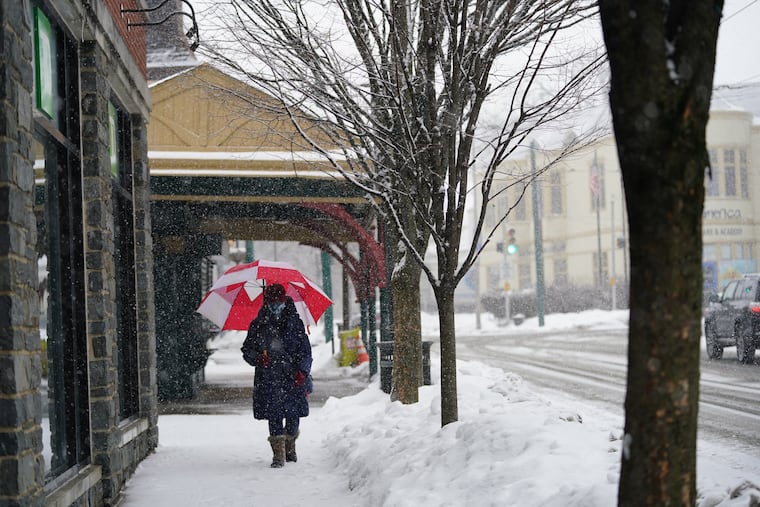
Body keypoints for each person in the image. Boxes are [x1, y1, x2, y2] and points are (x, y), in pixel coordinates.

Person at [241, 283, 313, 468]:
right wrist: (258, 358)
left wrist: (302, 372)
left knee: (292, 414)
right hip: (269, 377)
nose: (275, 305)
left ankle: (290, 446)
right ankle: (278, 454)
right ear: (266, 302)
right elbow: (247, 349)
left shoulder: (296, 323)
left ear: (284, 300)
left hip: (292, 376)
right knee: (274, 414)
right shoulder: (259, 324)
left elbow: (305, 351)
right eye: (272, 301)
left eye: (278, 301)